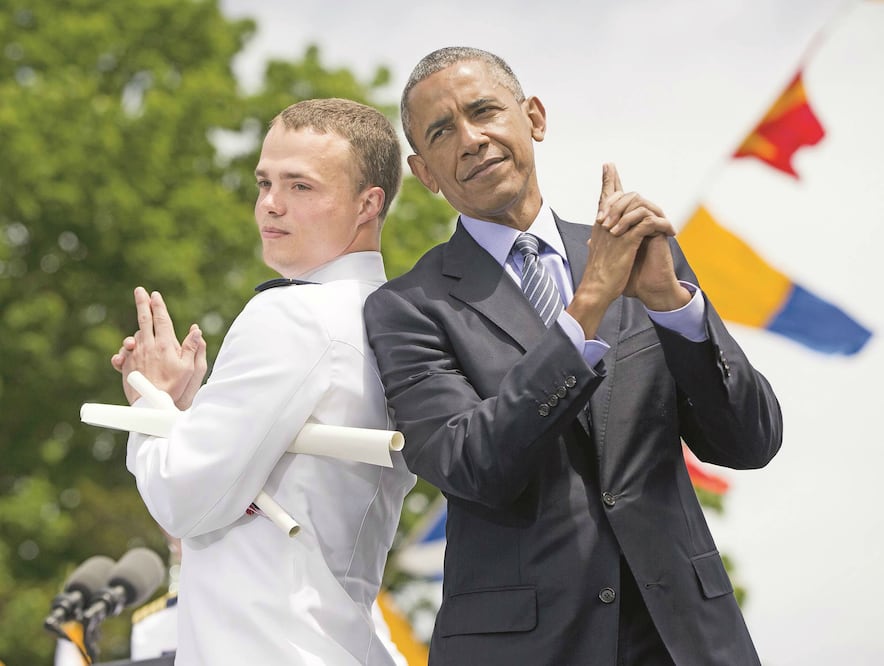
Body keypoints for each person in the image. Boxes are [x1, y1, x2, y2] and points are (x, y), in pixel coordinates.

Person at [363, 47, 783, 666]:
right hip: (527, 648)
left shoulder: (641, 254)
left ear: (533, 117)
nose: (472, 139)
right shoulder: (406, 308)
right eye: (443, 132)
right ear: (425, 172)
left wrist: (671, 306)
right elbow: (473, 465)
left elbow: (750, 441)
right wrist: (586, 307)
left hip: (683, 638)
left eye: (484, 111)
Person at [110, 98, 415, 665]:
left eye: (300, 187)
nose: (270, 205)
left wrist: (151, 405)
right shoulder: (392, 319)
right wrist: (189, 408)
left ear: (368, 203)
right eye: (264, 182)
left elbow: (184, 498)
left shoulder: (293, 315)